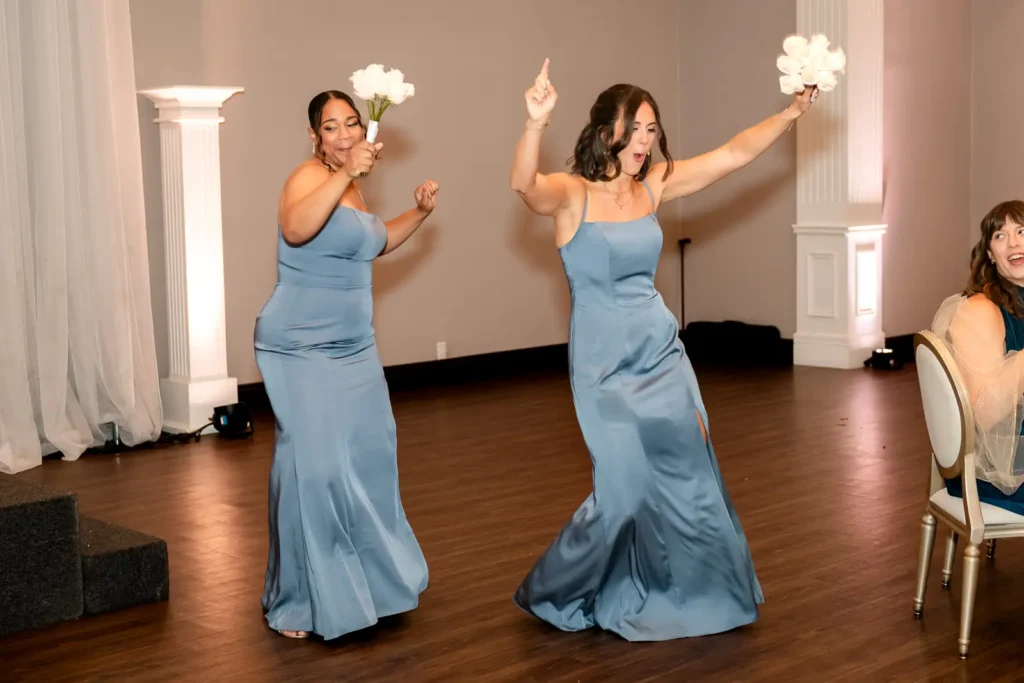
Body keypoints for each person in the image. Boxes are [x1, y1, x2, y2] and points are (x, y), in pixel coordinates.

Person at [508, 59, 814, 641]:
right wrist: (534, 123)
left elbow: (733, 155)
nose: (646, 141)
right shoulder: (573, 194)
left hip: (662, 355)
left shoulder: (655, 184)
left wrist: (791, 113)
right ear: (607, 133)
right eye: (636, 129)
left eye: (653, 129)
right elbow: (525, 184)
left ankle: (702, 593)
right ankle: (555, 586)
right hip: (603, 368)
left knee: (689, 476)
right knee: (621, 495)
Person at [254, 90, 438, 640]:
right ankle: (298, 600)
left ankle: (366, 586)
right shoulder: (307, 179)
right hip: (300, 345)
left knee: (369, 455)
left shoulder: (354, 189)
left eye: (351, 123)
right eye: (330, 127)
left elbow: (377, 243)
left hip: (354, 345)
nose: (343, 134)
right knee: (317, 467)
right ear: (315, 137)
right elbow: (295, 227)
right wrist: (343, 174)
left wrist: (421, 214)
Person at [932, 200, 1024, 514]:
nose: (1014, 242)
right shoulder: (980, 310)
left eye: (1022, 231)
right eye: (1000, 236)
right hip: (994, 469)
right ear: (989, 255)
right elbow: (985, 413)